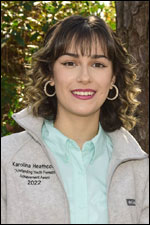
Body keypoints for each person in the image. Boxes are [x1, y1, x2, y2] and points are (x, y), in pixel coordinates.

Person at [1, 15, 149, 224]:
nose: (85, 77)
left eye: (98, 64)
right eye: (70, 63)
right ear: (50, 73)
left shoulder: (139, 169)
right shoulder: (5, 159)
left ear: (113, 77)